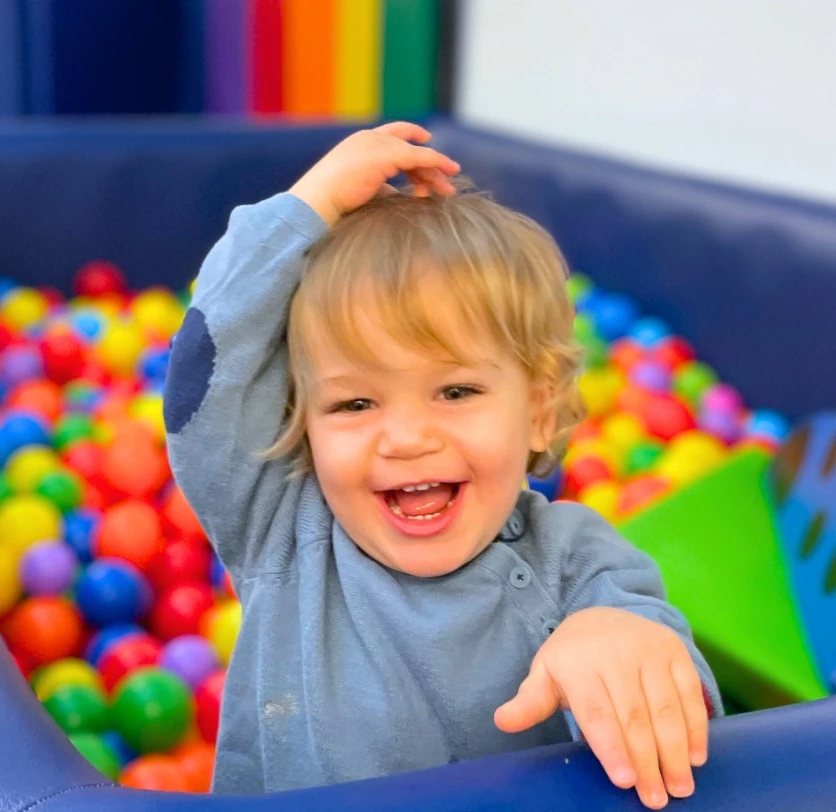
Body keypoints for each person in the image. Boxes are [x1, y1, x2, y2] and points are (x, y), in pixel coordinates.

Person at [164, 122, 721, 810]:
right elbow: (205, 375)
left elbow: (679, 711)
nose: (405, 437)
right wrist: (305, 207)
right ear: (301, 425)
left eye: (456, 391)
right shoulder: (283, 531)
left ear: (539, 410)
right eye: (355, 401)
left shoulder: (577, 563)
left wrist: (620, 641)